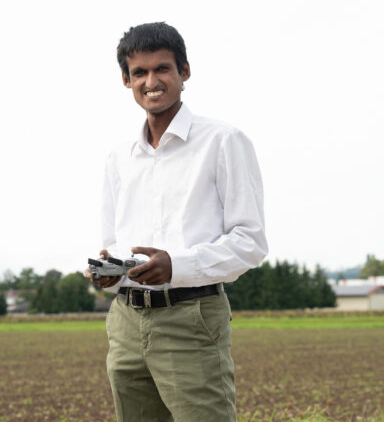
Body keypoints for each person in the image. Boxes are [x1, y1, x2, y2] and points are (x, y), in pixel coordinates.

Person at [90, 22, 268, 422]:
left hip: (191, 318)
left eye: (162, 69)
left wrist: (177, 265)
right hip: (126, 322)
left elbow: (251, 241)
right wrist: (109, 273)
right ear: (126, 80)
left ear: (184, 71)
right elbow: (114, 241)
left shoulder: (223, 141)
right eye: (139, 72)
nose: (151, 82)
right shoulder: (119, 157)